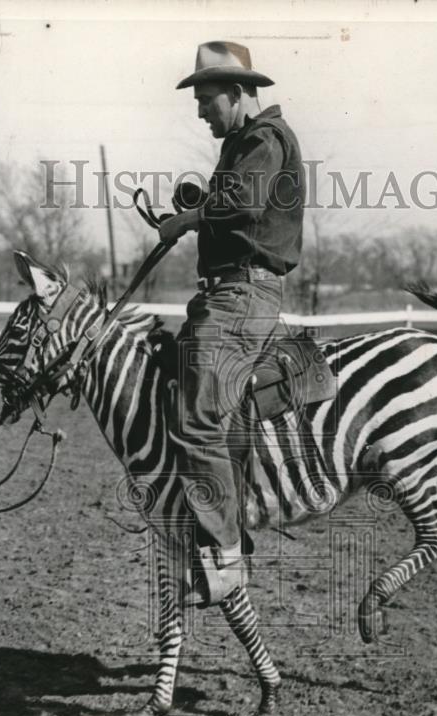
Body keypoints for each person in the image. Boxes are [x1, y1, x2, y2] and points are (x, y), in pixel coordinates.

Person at [157, 41, 306, 607]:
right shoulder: (247, 142)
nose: (200, 112)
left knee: (194, 418)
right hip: (231, 291)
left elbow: (243, 204)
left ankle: (222, 555)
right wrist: (197, 207)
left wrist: (188, 219)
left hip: (243, 295)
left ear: (239, 93)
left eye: (205, 99)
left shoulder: (265, 138)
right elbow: (237, 202)